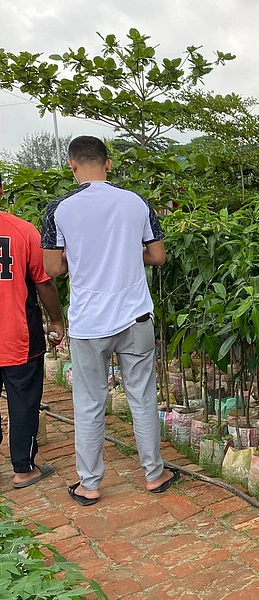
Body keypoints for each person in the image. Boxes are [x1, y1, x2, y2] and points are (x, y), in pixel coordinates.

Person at [41, 136, 178, 506]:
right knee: (142, 396)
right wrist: (130, 259)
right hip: (135, 317)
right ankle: (154, 474)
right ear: (108, 163)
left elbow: (52, 267)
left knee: (88, 402)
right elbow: (158, 256)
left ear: (72, 166)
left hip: (88, 322)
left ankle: (90, 484)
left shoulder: (59, 208)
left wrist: (82, 261)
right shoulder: (136, 202)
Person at [0, 171, 64, 487]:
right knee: (23, 402)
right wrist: (55, 320)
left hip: (15, 335)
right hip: (16, 335)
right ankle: (23, 469)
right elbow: (44, 282)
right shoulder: (22, 231)